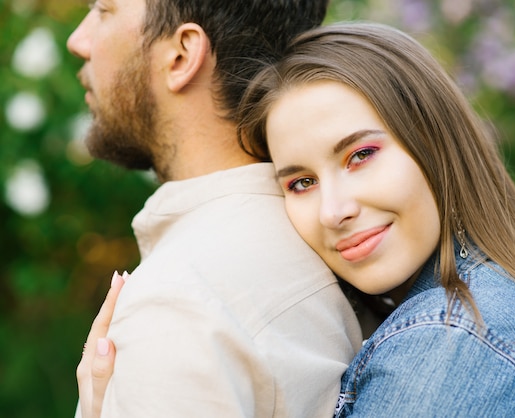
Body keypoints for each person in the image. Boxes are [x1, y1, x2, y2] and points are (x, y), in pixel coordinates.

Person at [78, 22, 515, 416]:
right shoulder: (481, 309)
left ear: (436, 144)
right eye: (301, 183)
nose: (335, 211)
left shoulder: (446, 348)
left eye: (360, 156)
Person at [66, 1, 363, 417]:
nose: (78, 40)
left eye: (102, 9)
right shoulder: (337, 243)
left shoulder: (176, 306)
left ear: (182, 56)